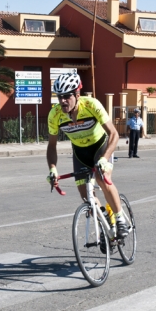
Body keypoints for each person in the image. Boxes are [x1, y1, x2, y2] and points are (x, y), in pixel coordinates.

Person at [46, 73, 129, 238]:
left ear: (77, 95)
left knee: (101, 177)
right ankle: (105, 222)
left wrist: (104, 159)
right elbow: (52, 146)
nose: (62, 100)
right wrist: (53, 169)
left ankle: (120, 219)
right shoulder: (54, 115)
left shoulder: (92, 105)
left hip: (100, 147)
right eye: (59, 96)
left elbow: (114, 134)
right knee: (85, 195)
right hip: (80, 153)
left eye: (67, 96)